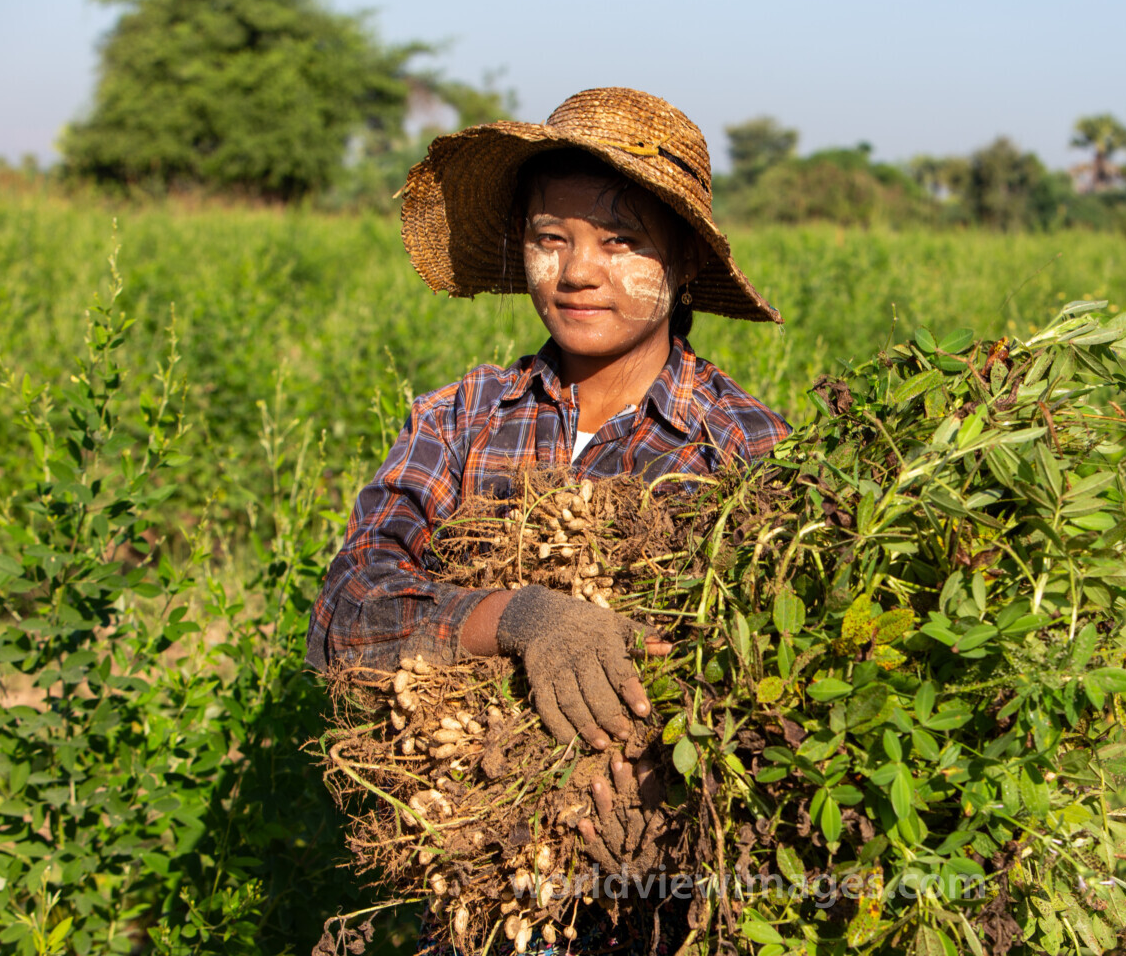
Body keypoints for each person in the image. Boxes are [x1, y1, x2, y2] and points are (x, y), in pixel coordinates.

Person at [306, 87, 789, 954]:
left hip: (653, 911)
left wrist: (668, 815)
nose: (575, 272)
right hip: (469, 906)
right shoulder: (460, 422)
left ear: (681, 261)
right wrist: (519, 617)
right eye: (549, 238)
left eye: (620, 240)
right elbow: (345, 613)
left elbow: (777, 702)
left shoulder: (743, 452)